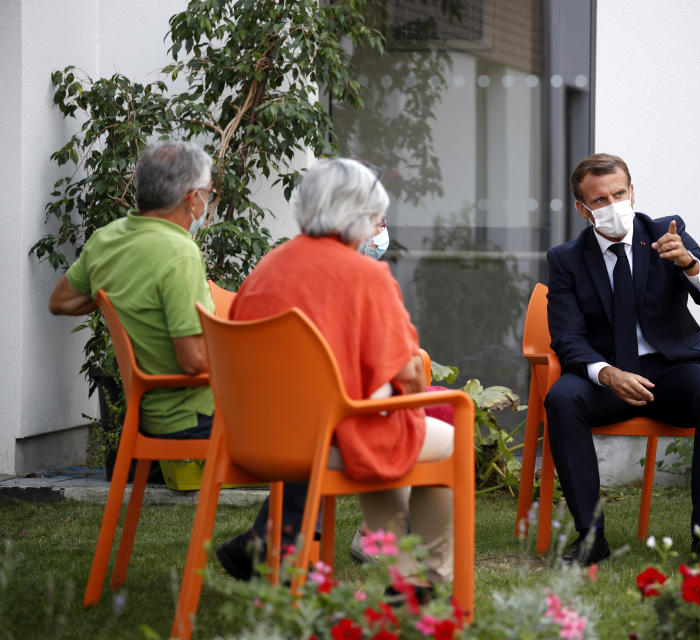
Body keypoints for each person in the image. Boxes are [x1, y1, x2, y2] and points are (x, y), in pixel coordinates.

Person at [216, 158, 454, 596]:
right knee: (440, 440)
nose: (378, 228)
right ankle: (426, 579)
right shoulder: (367, 275)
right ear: (360, 216)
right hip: (324, 441)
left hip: (255, 437)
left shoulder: (267, 269)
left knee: (382, 425)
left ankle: (402, 572)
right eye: (376, 218)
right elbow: (410, 374)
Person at [544, 153, 700, 564]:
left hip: (673, 370)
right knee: (562, 399)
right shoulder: (566, 260)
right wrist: (607, 373)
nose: (613, 205)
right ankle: (591, 538)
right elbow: (567, 337)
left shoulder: (667, 232)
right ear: (583, 209)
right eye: (600, 200)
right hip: (609, 376)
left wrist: (689, 263)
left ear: (632, 192)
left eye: (619, 193)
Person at [48, 140, 216, 439]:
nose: (207, 204)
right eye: (209, 195)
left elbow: (61, 300)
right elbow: (193, 361)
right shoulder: (180, 252)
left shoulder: (106, 239)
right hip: (193, 418)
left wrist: (114, 292)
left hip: (145, 414)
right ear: (192, 199)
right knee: (305, 420)